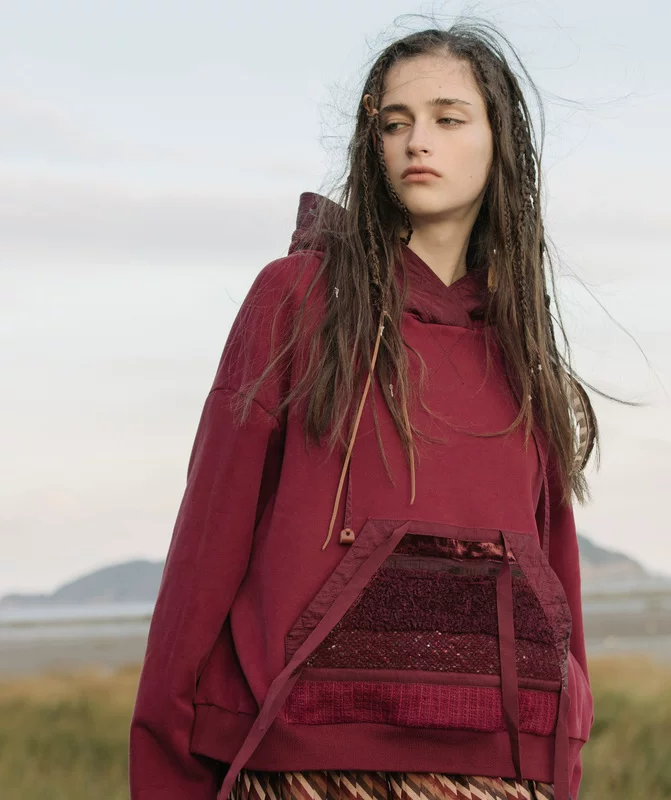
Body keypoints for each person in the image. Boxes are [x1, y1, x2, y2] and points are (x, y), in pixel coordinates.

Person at [130, 21, 598, 800]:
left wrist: (561, 765)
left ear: (500, 142)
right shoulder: (296, 299)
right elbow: (205, 551)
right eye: (394, 122)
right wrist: (167, 769)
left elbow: (557, 582)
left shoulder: (522, 345)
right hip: (307, 764)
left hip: (500, 771)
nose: (419, 141)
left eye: (448, 118)